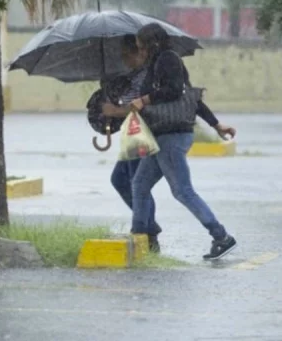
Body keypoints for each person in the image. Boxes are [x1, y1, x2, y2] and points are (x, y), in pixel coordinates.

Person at [101, 34, 235, 253]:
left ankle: (221, 236)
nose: (140, 52)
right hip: (160, 137)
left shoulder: (168, 60)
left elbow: (176, 92)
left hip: (172, 137)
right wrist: (217, 125)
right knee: (139, 184)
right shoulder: (156, 67)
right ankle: (141, 235)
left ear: (151, 44)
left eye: (141, 46)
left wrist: (143, 100)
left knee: (182, 191)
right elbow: (193, 99)